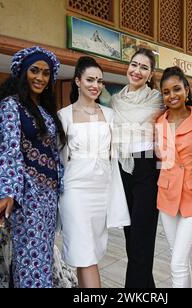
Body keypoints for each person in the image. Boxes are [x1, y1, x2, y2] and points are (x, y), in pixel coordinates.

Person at [0, 46, 67, 288]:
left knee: (42, 257)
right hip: (28, 195)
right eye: (34, 71)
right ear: (23, 72)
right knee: (29, 261)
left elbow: (54, 153)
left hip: (48, 197)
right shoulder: (11, 106)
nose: (40, 78)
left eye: (46, 73)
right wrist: (9, 193)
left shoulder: (45, 110)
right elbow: (9, 151)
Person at [58, 56, 130, 288]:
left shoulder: (109, 115)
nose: (95, 85)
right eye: (90, 79)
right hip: (75, 191)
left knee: (87, 253)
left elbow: (116, 154)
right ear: (77, 81)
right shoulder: (64, 116)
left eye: (99, 81)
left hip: (102, 191)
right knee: (86, 253)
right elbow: (60, 159)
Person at [111, 48, 164, 288]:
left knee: (142, 237)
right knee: (131, 237)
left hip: (146, 167)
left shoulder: (157, 99)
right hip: (121, 167)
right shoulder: (115, 101)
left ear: (151, 73)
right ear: (127, 66)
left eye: (144, 67)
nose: (137, 70)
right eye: (134, 64)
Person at [155, 66, 192, 288]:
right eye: (166, 92)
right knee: (178, 257)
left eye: (176, 89)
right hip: (167, 196)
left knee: (177, 262)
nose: (172, 95)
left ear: (187, 90)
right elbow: (162, 160)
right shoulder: (160, 122)